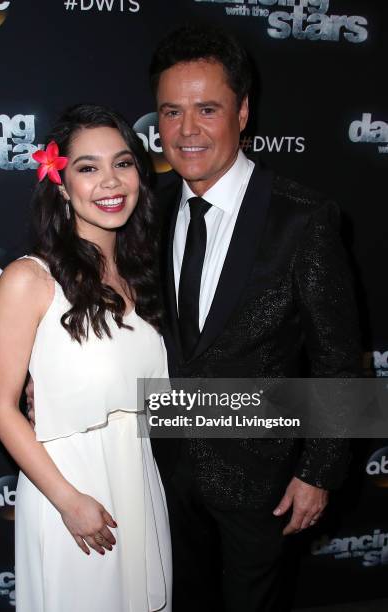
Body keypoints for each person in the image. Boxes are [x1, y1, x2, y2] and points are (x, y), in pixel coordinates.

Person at [148, 24, 362, 612]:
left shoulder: (303, 218)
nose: (187, 130)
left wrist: (319, 471)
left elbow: (340, 359)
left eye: (207, 109)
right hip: (162, 472)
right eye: (171, 112)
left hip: (263, 480)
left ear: (243, 113)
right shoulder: (151, 212)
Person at [0, 104, 172, 612]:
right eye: (87, 168)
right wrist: (69, 502)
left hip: (139, 479)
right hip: (70, 491)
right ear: (61, 185)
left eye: (123, 163)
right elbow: (1, 408)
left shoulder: (146, 274)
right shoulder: (29, 279)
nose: (110, 181)